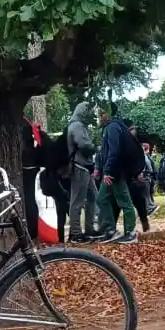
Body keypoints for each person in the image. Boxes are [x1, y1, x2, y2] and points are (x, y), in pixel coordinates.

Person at [95, 103, 141, 244]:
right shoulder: (116, 126)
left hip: (115, 171)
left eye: (102, 113)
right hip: (113, 170)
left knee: (124, 201)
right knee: (102, 198)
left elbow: (113, 151)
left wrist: (108, 171)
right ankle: (110, 230)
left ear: (109, 114)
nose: (100, 116)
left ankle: (131, 233)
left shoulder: (112, 127)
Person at [66, 101, 98, 243]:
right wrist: (94, 146)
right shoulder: (77, 126)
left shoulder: (75, 125)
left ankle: (89, 229)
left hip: (84, 167)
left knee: (93, 197)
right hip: (79, 167)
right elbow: (83, 144)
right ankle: (76, 234)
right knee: (77, 201)